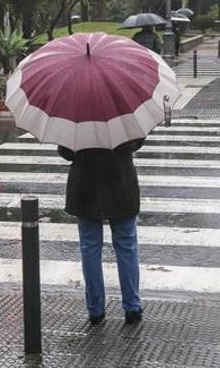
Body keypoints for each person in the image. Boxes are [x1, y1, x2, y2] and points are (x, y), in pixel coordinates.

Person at [57, 139, 145, 325]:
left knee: (90, 247)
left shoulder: (77, 112)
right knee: (127, 245)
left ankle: (96, 310)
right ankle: (132, 308)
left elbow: (66, 151)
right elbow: (137, 141)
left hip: (86, 185)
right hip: (121, 181)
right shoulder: (122, 111)